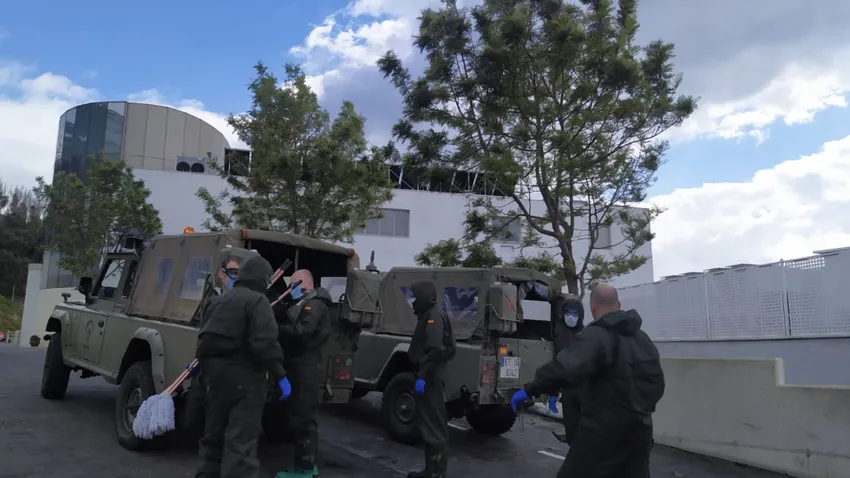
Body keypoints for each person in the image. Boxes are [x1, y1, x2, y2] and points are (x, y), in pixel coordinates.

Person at [511, 283, 665, 478]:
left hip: (603, 432)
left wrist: (529, 389)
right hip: (640, 431)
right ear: (619, 305)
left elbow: (564, 368)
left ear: (592, 309)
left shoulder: (595, 335)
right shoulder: (643, 339)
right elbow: (657, 383)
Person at [195, 255, 291, 478]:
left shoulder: (218, 301)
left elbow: (203, 341)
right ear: (263, 278)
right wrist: (280, 375)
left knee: (213, 439)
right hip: (245, 383)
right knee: (241, 444)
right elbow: (264, 344)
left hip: (215, 382)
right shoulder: (258, 301)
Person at [273, 269, 333, 478]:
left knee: (303, 419)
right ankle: (307, 463)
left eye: (294, 285)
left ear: (305, 283)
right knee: (304, 418)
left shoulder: (314, 305)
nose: (291, 289)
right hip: (304, 366)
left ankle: (304, 470)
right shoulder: (311, 303)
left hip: (305, 368)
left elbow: (302, 332)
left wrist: (275, 328)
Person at [185, 253, 244, 433]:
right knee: (193, 416)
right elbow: (204, 332)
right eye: (233, 273)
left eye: (239, 274)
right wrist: (198, 360)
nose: (236, 278)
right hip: (206, 366)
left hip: (227, 370)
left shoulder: (244, 301)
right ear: (221, 273)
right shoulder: (211, 299)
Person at [407, 281, 456, 478]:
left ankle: (436, 473)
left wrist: (423, 377)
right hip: (431, 376)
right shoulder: (433, 314)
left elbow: (435, 350)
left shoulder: (433, 316)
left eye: (415, 298)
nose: (413, 302)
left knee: (434, 428)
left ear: (425, 298)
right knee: (429, 425)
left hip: (430, 379)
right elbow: (449, 349)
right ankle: (430, 471)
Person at [549, 293, 585, 445]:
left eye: (574, 313)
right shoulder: (560, 335)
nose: (570, 316)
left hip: (584, 391)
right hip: (568, 391)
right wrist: (553, 392)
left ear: (580, 315)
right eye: (567, 312)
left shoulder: (587, 335)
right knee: (572, 430)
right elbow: (557, 365)